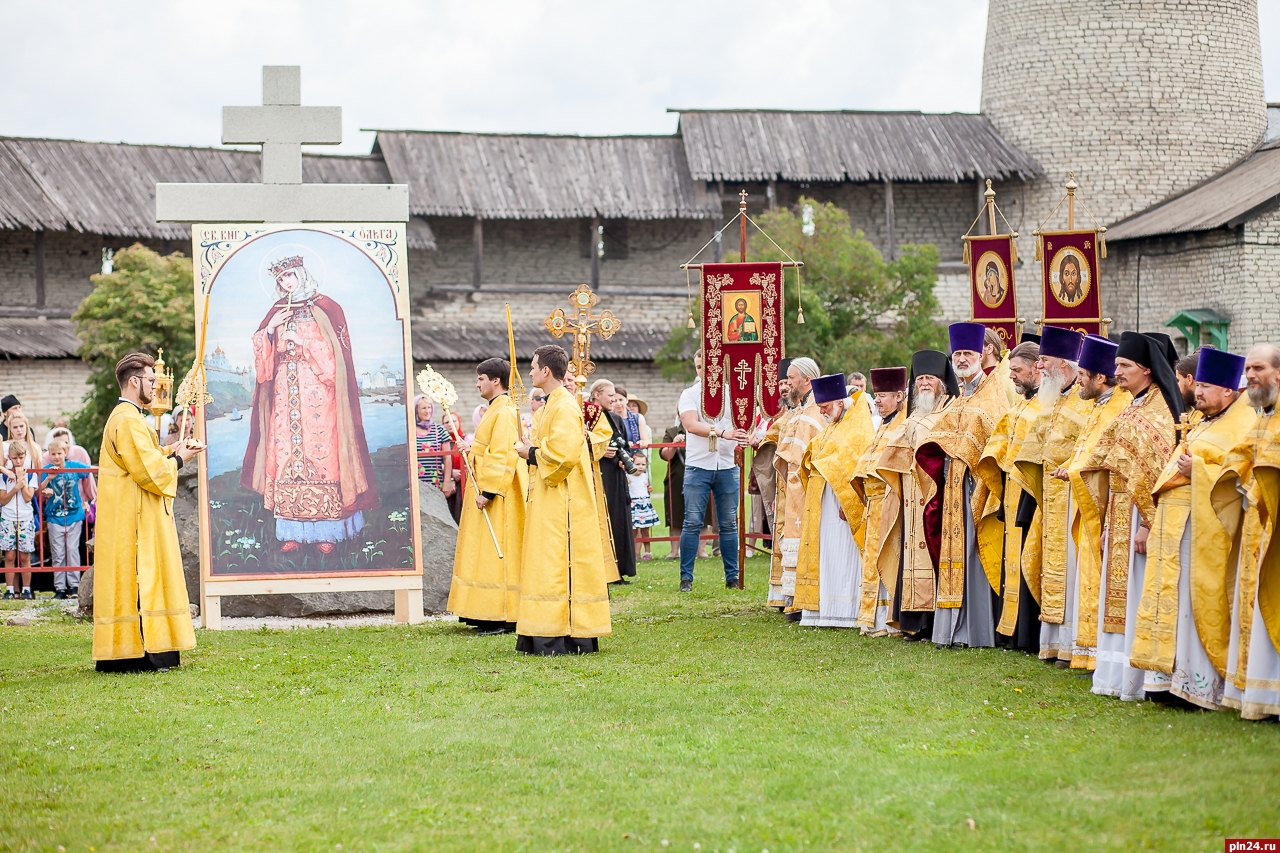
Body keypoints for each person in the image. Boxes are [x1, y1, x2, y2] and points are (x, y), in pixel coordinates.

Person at [1133, 346, 1254, 708]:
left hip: (1204, 530)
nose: (1197, 392)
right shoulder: (1201, 421)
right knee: (1171, 601)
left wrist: (1197, 470)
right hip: (1174, 529)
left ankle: (1197, 688)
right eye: (1197, 385)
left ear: (1228, 391)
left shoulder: (1241, 424)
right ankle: (1166, 681)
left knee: (1194, 603)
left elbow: (1240, 477)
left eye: (1205, 386)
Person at [241, 254, 378, 556]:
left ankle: (327, 532)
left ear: (301, 274)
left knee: (323, 457)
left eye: (289, 275)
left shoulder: (325, 307)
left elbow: (337, 362)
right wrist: (269, 330)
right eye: (280, 279)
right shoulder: (278, 311)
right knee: (287, 458)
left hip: (319, 395)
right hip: (285, 397)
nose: (285, 282)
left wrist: (303, 343)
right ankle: (293, 532)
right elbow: (264, 367)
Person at [1080, 332, 1181, 700]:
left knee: (1138, 595)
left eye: (1124, 365)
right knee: (1117, 598)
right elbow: (1107, 463)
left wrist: (1145, 525)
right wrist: (1109, 524)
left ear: (1146, 369)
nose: (1117, 371)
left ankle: (1139, 680)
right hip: (1120, 516)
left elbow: (1158, 474)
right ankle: (1114, 676)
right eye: (1117, 365)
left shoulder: (1160, 410)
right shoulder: (1133, 405)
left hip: (1142, 520)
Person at [94, 351, 203, 672]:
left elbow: (148, 456)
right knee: (142, 580)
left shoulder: (128, 417)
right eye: (151, 380)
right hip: (134, 520)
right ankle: (143, 654)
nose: (156, 386)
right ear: (134, 381)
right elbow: (149, 472)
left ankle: (143, 653)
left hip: (132, 515)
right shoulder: (128, 419)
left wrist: (174, 449)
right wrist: (180, 460)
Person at [513, 345, 611, 655]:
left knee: (558, 560)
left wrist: (530, 452)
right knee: (544, 560)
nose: (530, 372)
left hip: (565, 498)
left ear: (546, 371)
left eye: (533, 366)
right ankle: (542, 629)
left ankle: (565, 634)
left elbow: (564, 453)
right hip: (550, 495)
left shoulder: (565, 405)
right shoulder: (551, 404)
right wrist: (532, 447)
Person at [918, 322, 1009, 649]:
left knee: (974, 552)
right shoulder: (957, 399)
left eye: (967, 353)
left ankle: (977, 632)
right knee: (952, 554)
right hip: (952, 486)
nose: (961, 359)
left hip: (977, 486)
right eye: (957, 354)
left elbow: (998, 438)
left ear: (981, 355)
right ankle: (949, 631)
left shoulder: (993, 395)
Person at [1014, 326, 1091, 665]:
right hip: (1050, 498)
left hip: (1075, 499)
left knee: (1072, 571)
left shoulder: (1085, 402)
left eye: (1044, 360)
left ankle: (1072, 645)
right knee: (1050, 567)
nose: (1039, 366)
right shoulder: (1053, 397)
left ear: (1062, 363)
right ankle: (1052, 643)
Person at [876, 350, 959, 641]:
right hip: (911, 496)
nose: (924, 383)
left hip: (937, 496)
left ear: (942, 383)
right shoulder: (914, 415)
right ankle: (911, 620)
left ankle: (931, 622)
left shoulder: (951, 411)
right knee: (911, 553)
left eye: (930, 378)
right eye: (920, 378)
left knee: (933, 552)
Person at [1216, 343, 1280, 720]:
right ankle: (1259, 694)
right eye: (1249, 370)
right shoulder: (1263, 416)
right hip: (1258, 526)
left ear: (1278, 373)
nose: (1251, 375)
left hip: (1276, 528)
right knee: (1255, 605)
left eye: (1259, 368)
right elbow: (1240, 456)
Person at [1064, 334, 1131, 670]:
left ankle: (1096, 653)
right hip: (1088, 498)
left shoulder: (1117, 407)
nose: (1078, 381)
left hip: (1108, 505)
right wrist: (1071, 467)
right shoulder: (1099, 405)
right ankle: (1087, 650)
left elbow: (1106, 457)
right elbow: (1086, 451)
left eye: (1081, 375)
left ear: (1099, 377)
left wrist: (1073, 469)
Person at [447, 358, 526, 635]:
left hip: (498, 495)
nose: (477, 384)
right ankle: (482, 610)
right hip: (486, 489)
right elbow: (488, 448)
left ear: (495, 380)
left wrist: (490, 492)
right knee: (482, 552)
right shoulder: (494, 409)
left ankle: (500, 614)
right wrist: (471, 449)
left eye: (481, 378)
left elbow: (503, 454)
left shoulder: (504, 411)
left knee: (496, 552)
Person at [791, 373, 875, 627]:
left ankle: (845, 610)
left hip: (842, 503)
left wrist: (847, 499)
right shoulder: (833, 426)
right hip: (822, 501)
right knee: (825, 552)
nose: (822, 412)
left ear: (840, 402)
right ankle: (822, 610)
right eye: (820, 407)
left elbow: (855, 464)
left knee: (843, 552)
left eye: (825, 407)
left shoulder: (858, 427)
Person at [975, 340, 1042, 652]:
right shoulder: (1020, 406)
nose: (1011, 375)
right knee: (1011, 559)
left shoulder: (1043, 408)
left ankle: (1028, 635)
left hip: (1033, 495)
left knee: (1028, 558)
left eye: (1016, 370)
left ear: (1035, 368)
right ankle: (1011, 633)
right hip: (1012, 493)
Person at [678, 350, 749, 591]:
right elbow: (690, 424)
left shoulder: (733, 393)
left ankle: (732, 577)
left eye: (707, 367)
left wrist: (744, 435)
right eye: (699, 367)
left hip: (727, 463)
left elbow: (744, 420)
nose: (703, 372)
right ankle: (686, 578)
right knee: (692, 521)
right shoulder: (690, 394)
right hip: (698, 464)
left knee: (728, 523)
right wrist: (722, 433)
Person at [853, 366, 908, 635]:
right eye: (875, 395)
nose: (877, 401)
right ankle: (872, 620)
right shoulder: (883, 424)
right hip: (873, 504)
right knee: (872, 559)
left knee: (889, 557)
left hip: (890, 503)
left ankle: (890, 621)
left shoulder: (903, 425)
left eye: (882, 395)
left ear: (899, 396)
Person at [770, 357, 823, 608]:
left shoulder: (816, 411)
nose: (787, 383)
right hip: (791, 487)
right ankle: (792, 596)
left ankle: (802, 598)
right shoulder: (799, 410)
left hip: (807, 486)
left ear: (807, 380)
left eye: (791, 378)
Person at [590, 379, 636, 581]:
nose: (614, 400)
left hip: (616, 475)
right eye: (610, 396)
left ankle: (619, 569)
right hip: (597, 473)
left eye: (616, 397)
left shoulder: (616, 419)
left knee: (618, 519)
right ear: (597, 395)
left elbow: (624, 445)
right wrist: (599, 450)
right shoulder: (588, 416)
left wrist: (624, 460)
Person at [40, 436, 92, 599]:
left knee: (72, 550)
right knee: (58, 552)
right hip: (54, 516)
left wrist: (88, 500)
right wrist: (48, 479)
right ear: (49, 454)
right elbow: (38, 489)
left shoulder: (73, 466)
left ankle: (74, 586)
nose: (56, 457)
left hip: (74, 515)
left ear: (65, 453)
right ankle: (60, 588)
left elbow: (90, 471)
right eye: (53, 454)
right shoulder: (46, 469)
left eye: (59, 453)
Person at [1, 439, 38, 600]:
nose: (18, 461)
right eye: (15, 458)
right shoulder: (4, 476)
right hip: (8, 518)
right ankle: (10, 589)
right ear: (9, 457)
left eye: (21, 458)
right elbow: (3, 500)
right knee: (9, 555)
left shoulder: (32, 475)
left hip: (25, 517)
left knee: (25, 556)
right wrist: (15, 486)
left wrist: (21, 483)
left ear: (25, 457)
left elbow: (28, 497)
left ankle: (27, 589)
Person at [413, 395, 455, 498]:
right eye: (423, 408)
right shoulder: (410, 430)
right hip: (416, 484)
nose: (427, 411)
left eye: (429, 407)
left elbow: (447, 458)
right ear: (416, 410)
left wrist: (447, 482)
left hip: (436, 483)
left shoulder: (440, 430)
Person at [629, 453, 658, 562]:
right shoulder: (628, 477)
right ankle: (635, 553)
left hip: (644, 504)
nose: (640, 467)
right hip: (634, 504)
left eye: (643, 464)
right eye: (637, 464)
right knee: (634, 530)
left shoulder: (645, 476)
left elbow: (647, 487)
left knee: (645, 530)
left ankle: (647, 552)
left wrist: (649, 488)